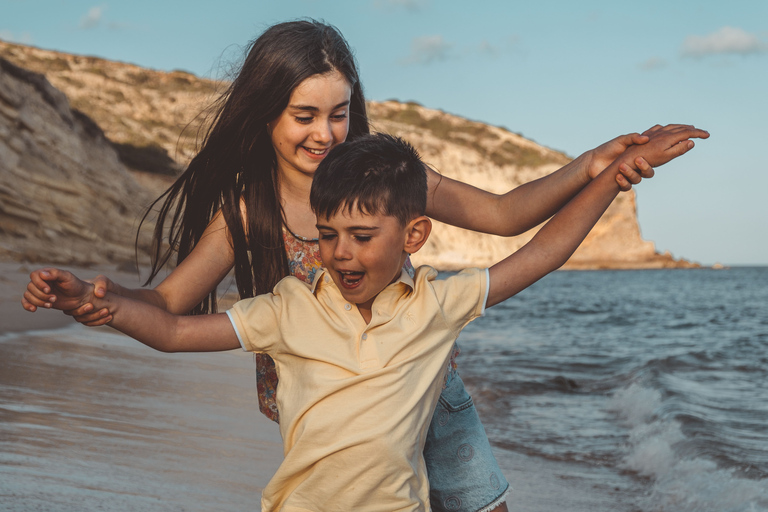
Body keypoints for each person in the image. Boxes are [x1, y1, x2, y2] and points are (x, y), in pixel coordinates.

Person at [20, 19, 710, 512]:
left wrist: (598, 166)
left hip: (424, 387)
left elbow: (508, 219)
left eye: (339, 113)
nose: (325, 134)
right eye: (304, 116)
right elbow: (170, 309)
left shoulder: (382, 175)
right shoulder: (249, 203)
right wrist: (96, 300)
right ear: (266, 114)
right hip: (327, 403)